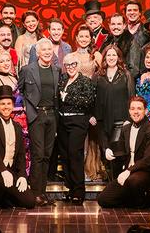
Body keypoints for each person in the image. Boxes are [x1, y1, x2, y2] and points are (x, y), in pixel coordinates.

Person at [98, 96, 150, 208]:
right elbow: (120, 151)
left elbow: (148, 160)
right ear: (129, 111)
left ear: (146, 111)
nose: (135, 112)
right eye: (132, 109)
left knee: (133, 181)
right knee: (103, 199)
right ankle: (134, 201)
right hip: (128, 173)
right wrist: (108, 150)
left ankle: (146, 200)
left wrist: (129, 170)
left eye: (139, 108)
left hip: (146, 173)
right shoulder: (126, 128)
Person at [18, 38, 59, 206]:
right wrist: (27, 111)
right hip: (36, 116)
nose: (48, 52)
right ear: (38, 52)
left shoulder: (57, 70)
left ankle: (43, 192)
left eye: (50, 49)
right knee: (38, 155)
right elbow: (20, 91)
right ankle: (35, 193)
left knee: (47, 156)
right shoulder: (27, 70)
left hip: (52, 116)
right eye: (44, 50)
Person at [0, 85, 36, 208]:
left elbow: (21, 154)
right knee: (1, 184)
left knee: (29, 201)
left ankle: (7, 198)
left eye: (8, 103)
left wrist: (22, 175)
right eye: (2, 104)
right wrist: (3, 171)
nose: (6, 107)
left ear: (12, 105)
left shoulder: (17, 126)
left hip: (11, 171)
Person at [57, 53, 96, 205]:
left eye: (73, 64)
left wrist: (67, 97)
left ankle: (79, 191)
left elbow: (88, 101)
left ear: (78, 65)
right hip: (62, 120)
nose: (71, 67)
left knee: (75, 154)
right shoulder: (62, 79)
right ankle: (70, 188)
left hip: (78, 121)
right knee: (65, 156)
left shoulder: (85, 81)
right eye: (68, 65)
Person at [0, 49, 29, 170]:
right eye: (2, 61)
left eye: (8, 60)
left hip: (20, 119)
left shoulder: (13, 78)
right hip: (7, 116)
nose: (6, 63)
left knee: (21, 149)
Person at [93, 45, 135, 179]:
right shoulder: (98, 76)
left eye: (114, 55)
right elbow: (92, 97)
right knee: (106, 155)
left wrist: (129, 119)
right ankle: (111, 187)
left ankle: (117, 186)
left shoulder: (126, 75)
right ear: (104, 57)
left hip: (120, 121)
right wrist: (92, 115)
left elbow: (131, 97)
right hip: (102, 121)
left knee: (116, 155)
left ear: (118, 57)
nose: (111, 58)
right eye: (108, 55)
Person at [68, 24, 104, 180]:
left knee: (93, 136)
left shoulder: (96, 56)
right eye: (81, 36)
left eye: (86, 37)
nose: (83, 39)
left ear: (91, 39)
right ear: (76, 38)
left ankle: (92, 169)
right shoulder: (71, 56)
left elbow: (102, 76)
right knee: (80, 137)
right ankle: (79, 170)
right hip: (76, 101)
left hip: (94, 99)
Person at [124, 0, 150, 77]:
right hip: (124, 75)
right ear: (125, 13)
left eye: (135, 10)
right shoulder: (121, 31)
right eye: (129, 10)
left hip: (142, 74)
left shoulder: (147, 32)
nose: (132, 12)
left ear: (140, 13)